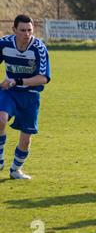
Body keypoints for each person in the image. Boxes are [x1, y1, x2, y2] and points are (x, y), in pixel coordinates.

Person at [0, 14, 51, 179]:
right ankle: (0, 159)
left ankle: (15, 170)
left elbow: (43, 78)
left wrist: (16, 80)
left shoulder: (39, 49)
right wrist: (11, 83)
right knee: (0, 120)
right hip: (10, 93)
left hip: (30, 96)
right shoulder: (4, 44)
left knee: (25, 141)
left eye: (30, 30)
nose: (27, 34)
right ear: (14, 30)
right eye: (22, 30)